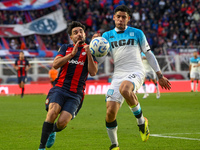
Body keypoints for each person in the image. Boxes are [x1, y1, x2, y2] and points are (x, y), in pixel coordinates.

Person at [98, 5, 171, 150]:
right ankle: (114, 145)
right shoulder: (106, 36)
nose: (120, 19)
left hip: (136, 71)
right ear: (113, 18)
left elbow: (149, 54)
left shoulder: (137, 33)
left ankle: (141, 122)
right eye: (118, 16)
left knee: (125, 89)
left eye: (124, 17)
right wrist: (95, 46)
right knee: (110, 112)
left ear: (128, 19)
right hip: (118, 75)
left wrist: (159, 75)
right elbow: (100, 60)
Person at [38, 21, 98, 150]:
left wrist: (88, 53)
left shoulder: (92, 50)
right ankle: (41, 147)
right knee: (53, 112)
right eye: (75, 33)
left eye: (81, 31)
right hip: (60, 88)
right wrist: (70, 55)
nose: (79, 34)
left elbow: (93, 72)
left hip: (76, 94)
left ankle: (53, 130)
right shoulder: (66, 48)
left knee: (62, 122)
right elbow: (55, 64)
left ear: (84, 34)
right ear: (71, 37)